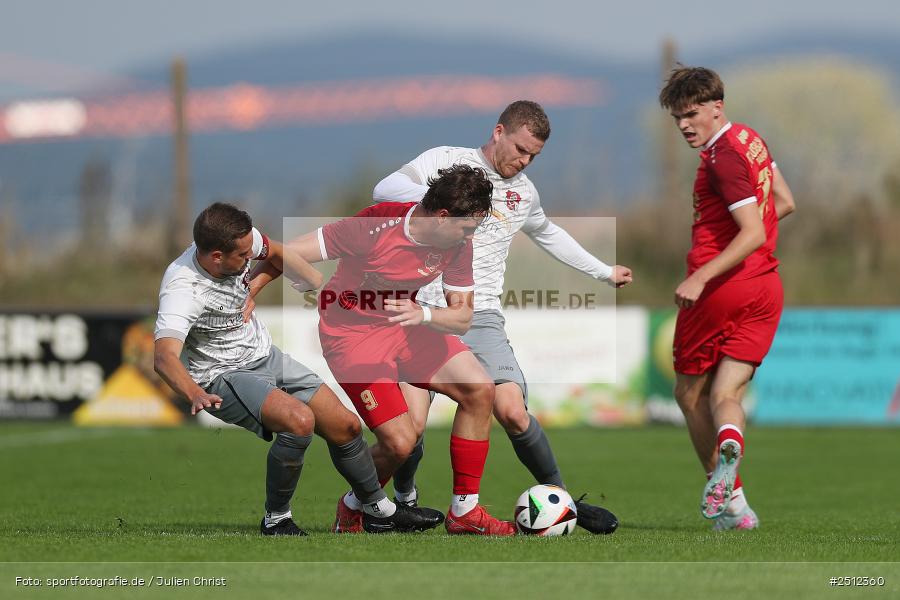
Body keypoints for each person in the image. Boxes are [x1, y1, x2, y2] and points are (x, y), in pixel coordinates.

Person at [371, 100, 632, 535]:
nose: (524, 161)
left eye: (534, 156)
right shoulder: (445, 160)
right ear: (499, 131)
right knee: (408, 432)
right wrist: (444, 201)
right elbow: (384, 190)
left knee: (511, 410)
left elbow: (548, 232)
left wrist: (603, 272)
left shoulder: (523, 193)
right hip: (418, 311)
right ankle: (398, 499)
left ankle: (562, 499)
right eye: (520, 149)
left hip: (479, 316)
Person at [251, 165, 517, 535]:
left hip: (406, 325)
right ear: (442, 217)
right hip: (352, 338)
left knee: (479, 389)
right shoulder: (372, 228)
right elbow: (288, 252)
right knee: (401, 442)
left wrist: (423, 313)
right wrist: (250, 291)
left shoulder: (457, 244)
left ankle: (464, 512)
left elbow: (461, 318)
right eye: (467, 227)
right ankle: (353, 506)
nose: (471, 235)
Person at [153, 202, 443, 536]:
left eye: (251, 251)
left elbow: (275, 251)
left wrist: (280, 281)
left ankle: (378, 512)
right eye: (244, 257)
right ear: (216, 256)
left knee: (346, 426)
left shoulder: (238, 243)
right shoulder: (182, 290)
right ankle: (276, 519)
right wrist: (193, 391)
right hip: (222, 374)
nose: (251, 259)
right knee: (299, 422)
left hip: (265, 355)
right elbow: (164, 357)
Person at [658, 66, 796, 530]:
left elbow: (752, 231)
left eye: (692, 114)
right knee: (727, 392)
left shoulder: (723, 158)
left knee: (688, 393)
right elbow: (785, 201)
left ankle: (731, 503)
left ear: (718, 106)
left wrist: (703, 277)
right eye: (678, 117)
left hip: (721, 289)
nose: (684, 125)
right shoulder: (751, 139)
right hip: (765, 288)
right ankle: (732, 443)